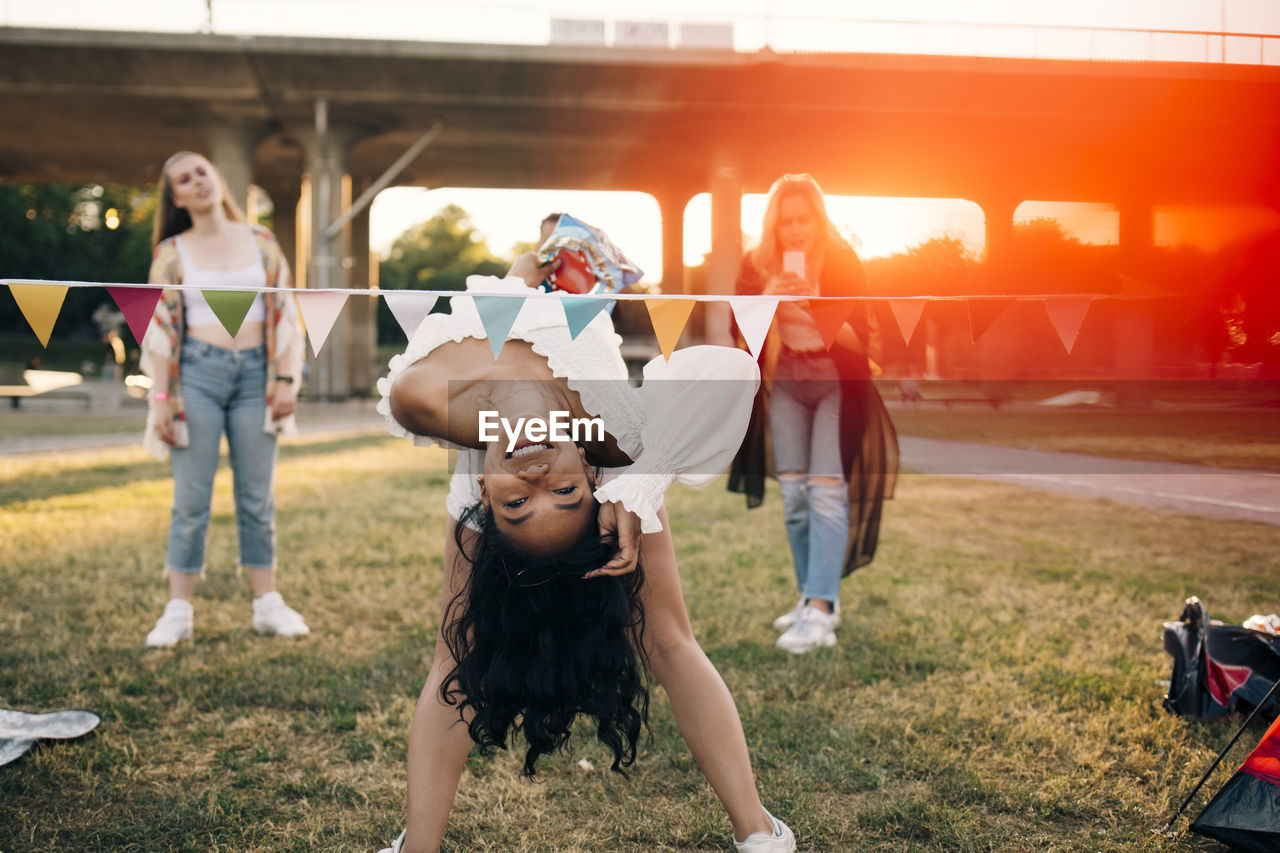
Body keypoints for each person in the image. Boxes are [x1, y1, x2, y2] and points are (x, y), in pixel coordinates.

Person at [374, 253, 796, 853]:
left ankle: (756, 831)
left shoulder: (422, 400)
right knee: (661, 639)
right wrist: (647, 478)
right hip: (619, 461)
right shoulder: (617, 445)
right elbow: (731, 371)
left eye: (520, 502)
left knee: (659, 641)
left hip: (534, 313)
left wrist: (520, 278)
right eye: (564, 492)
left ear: (487, 503)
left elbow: (477, 327)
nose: (537, 476)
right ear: (593, 483)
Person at [139, 151, 309, 648]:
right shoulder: (172, 251)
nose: (197, 182)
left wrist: (284, 380)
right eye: (184, 179)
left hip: (259, 375)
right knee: (191, 499)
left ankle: (266, 604)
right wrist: (162, 399)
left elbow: (285, 309)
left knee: (257, 498)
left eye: (202, 171)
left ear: (217, 177)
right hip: (197, 374)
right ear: (175, 198)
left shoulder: (260, 240)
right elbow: (161, 328)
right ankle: (178, 610)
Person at [728, 173, 898, 655]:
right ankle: (809, 598)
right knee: (795, 499)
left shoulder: (841, 261)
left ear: (817, 221)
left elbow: (862, 342)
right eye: (787, 223)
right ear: (774, 226)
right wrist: (768, 299)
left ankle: (822, 609)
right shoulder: (755, 264)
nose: (796, 231)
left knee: (825, 494)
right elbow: (741, 337)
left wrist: (815, 306)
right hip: (787, 383)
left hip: (836, 383)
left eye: (804, 220)